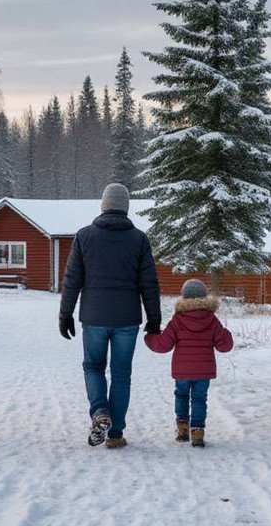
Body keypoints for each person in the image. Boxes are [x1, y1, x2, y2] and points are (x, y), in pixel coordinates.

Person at [59, 183, 161, 449]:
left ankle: (100, 412)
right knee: (121, 374)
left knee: (93, 367)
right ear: (125, 207)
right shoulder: (139, 239)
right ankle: (115, 433)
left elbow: (72, 280)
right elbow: (149, 282)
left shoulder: (84, 236)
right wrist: (154, 319)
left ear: (103, 205)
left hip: (94, 316)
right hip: (127, 318)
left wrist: (65, 313)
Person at [144, 278, 234, 447]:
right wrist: (226, 334)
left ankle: (183, 428)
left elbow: (163, 345)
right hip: (204, 371)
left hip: (182, 370)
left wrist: (150, 338)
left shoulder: (178, 320)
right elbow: (224, 346)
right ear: (204, 296)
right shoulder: (211, 319)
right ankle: (198, 431)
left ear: (184, 297)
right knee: (200, 399)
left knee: (181, 395)